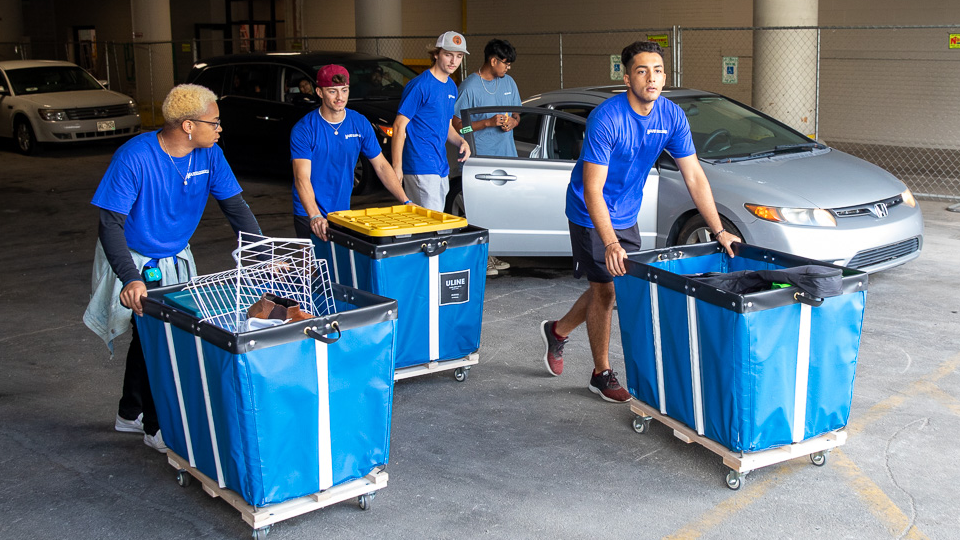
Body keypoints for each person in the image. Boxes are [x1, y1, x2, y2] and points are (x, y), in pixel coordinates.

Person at [539, 41, 740, 402]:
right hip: (589, 212)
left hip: (627, 212)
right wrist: (611, 241)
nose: (652, 78)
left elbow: (694, 175)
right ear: (627, 76)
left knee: (613, 287)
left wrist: (720, 228)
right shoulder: (607, 118)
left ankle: (558, 330)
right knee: (606, 289)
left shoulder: (671, 116)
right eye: (642, 70)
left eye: (658, 70)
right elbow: (593, 188)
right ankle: (600, 373)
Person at [83, 84, 262, 452]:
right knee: (159, 339)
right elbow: (109, 225)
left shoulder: (209, 155)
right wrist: (130, 279)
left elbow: (236, 208)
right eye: (214, 122)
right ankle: (156, 427)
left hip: (175, 256)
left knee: (150, 335)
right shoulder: (134, 157)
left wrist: (263, 254)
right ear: (187, 126)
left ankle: (129, 413)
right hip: (134, 258)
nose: (219, 128)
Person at [291, 64, 411, 241]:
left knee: (339, 265)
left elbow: (381, 165)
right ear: (319, 92)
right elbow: (302, 177)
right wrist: (315, 216)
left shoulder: (359, 123)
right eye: (332, 91)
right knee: (311, 266)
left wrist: (405, 200)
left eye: (344, 90)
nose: (340, 97)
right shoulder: (304, 129)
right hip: (308, 210)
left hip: (341, 211)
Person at [452, 38, 522, 276]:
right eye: (506, 63)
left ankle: (493, 253)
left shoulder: (509, 83)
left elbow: (517, 114)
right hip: (480, 161)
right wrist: (487, 123)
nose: (508, 68)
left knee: (502, 209)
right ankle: (483, 258)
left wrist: (512, 121)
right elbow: (460, 127)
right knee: (481, 211)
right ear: (493, 61)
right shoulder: (469, 87)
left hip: (507, 158)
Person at [391, 31, 472, 211]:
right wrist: (397, 168)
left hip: (440, 165)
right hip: (420, 163)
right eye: (448, 55)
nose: (453, 61)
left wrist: (461, 141)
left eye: (458, 56)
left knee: (431, 224)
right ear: (436, 54)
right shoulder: (420, 85)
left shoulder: (451, 86)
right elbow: (398, 126)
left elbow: (447, 125)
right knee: (429, 226)